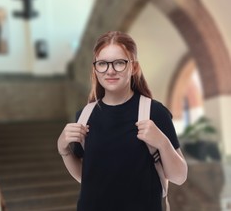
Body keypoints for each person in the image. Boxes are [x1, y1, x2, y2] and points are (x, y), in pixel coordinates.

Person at [57, 31, 188, 211]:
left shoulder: (154, 112)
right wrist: (63, 150)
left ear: (133, 67)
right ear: (95, 68)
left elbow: (179, 177)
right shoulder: (85, 115)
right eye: (102, 64)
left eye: (119, 63)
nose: (110, 70)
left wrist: (163, 143)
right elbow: (85, 177)